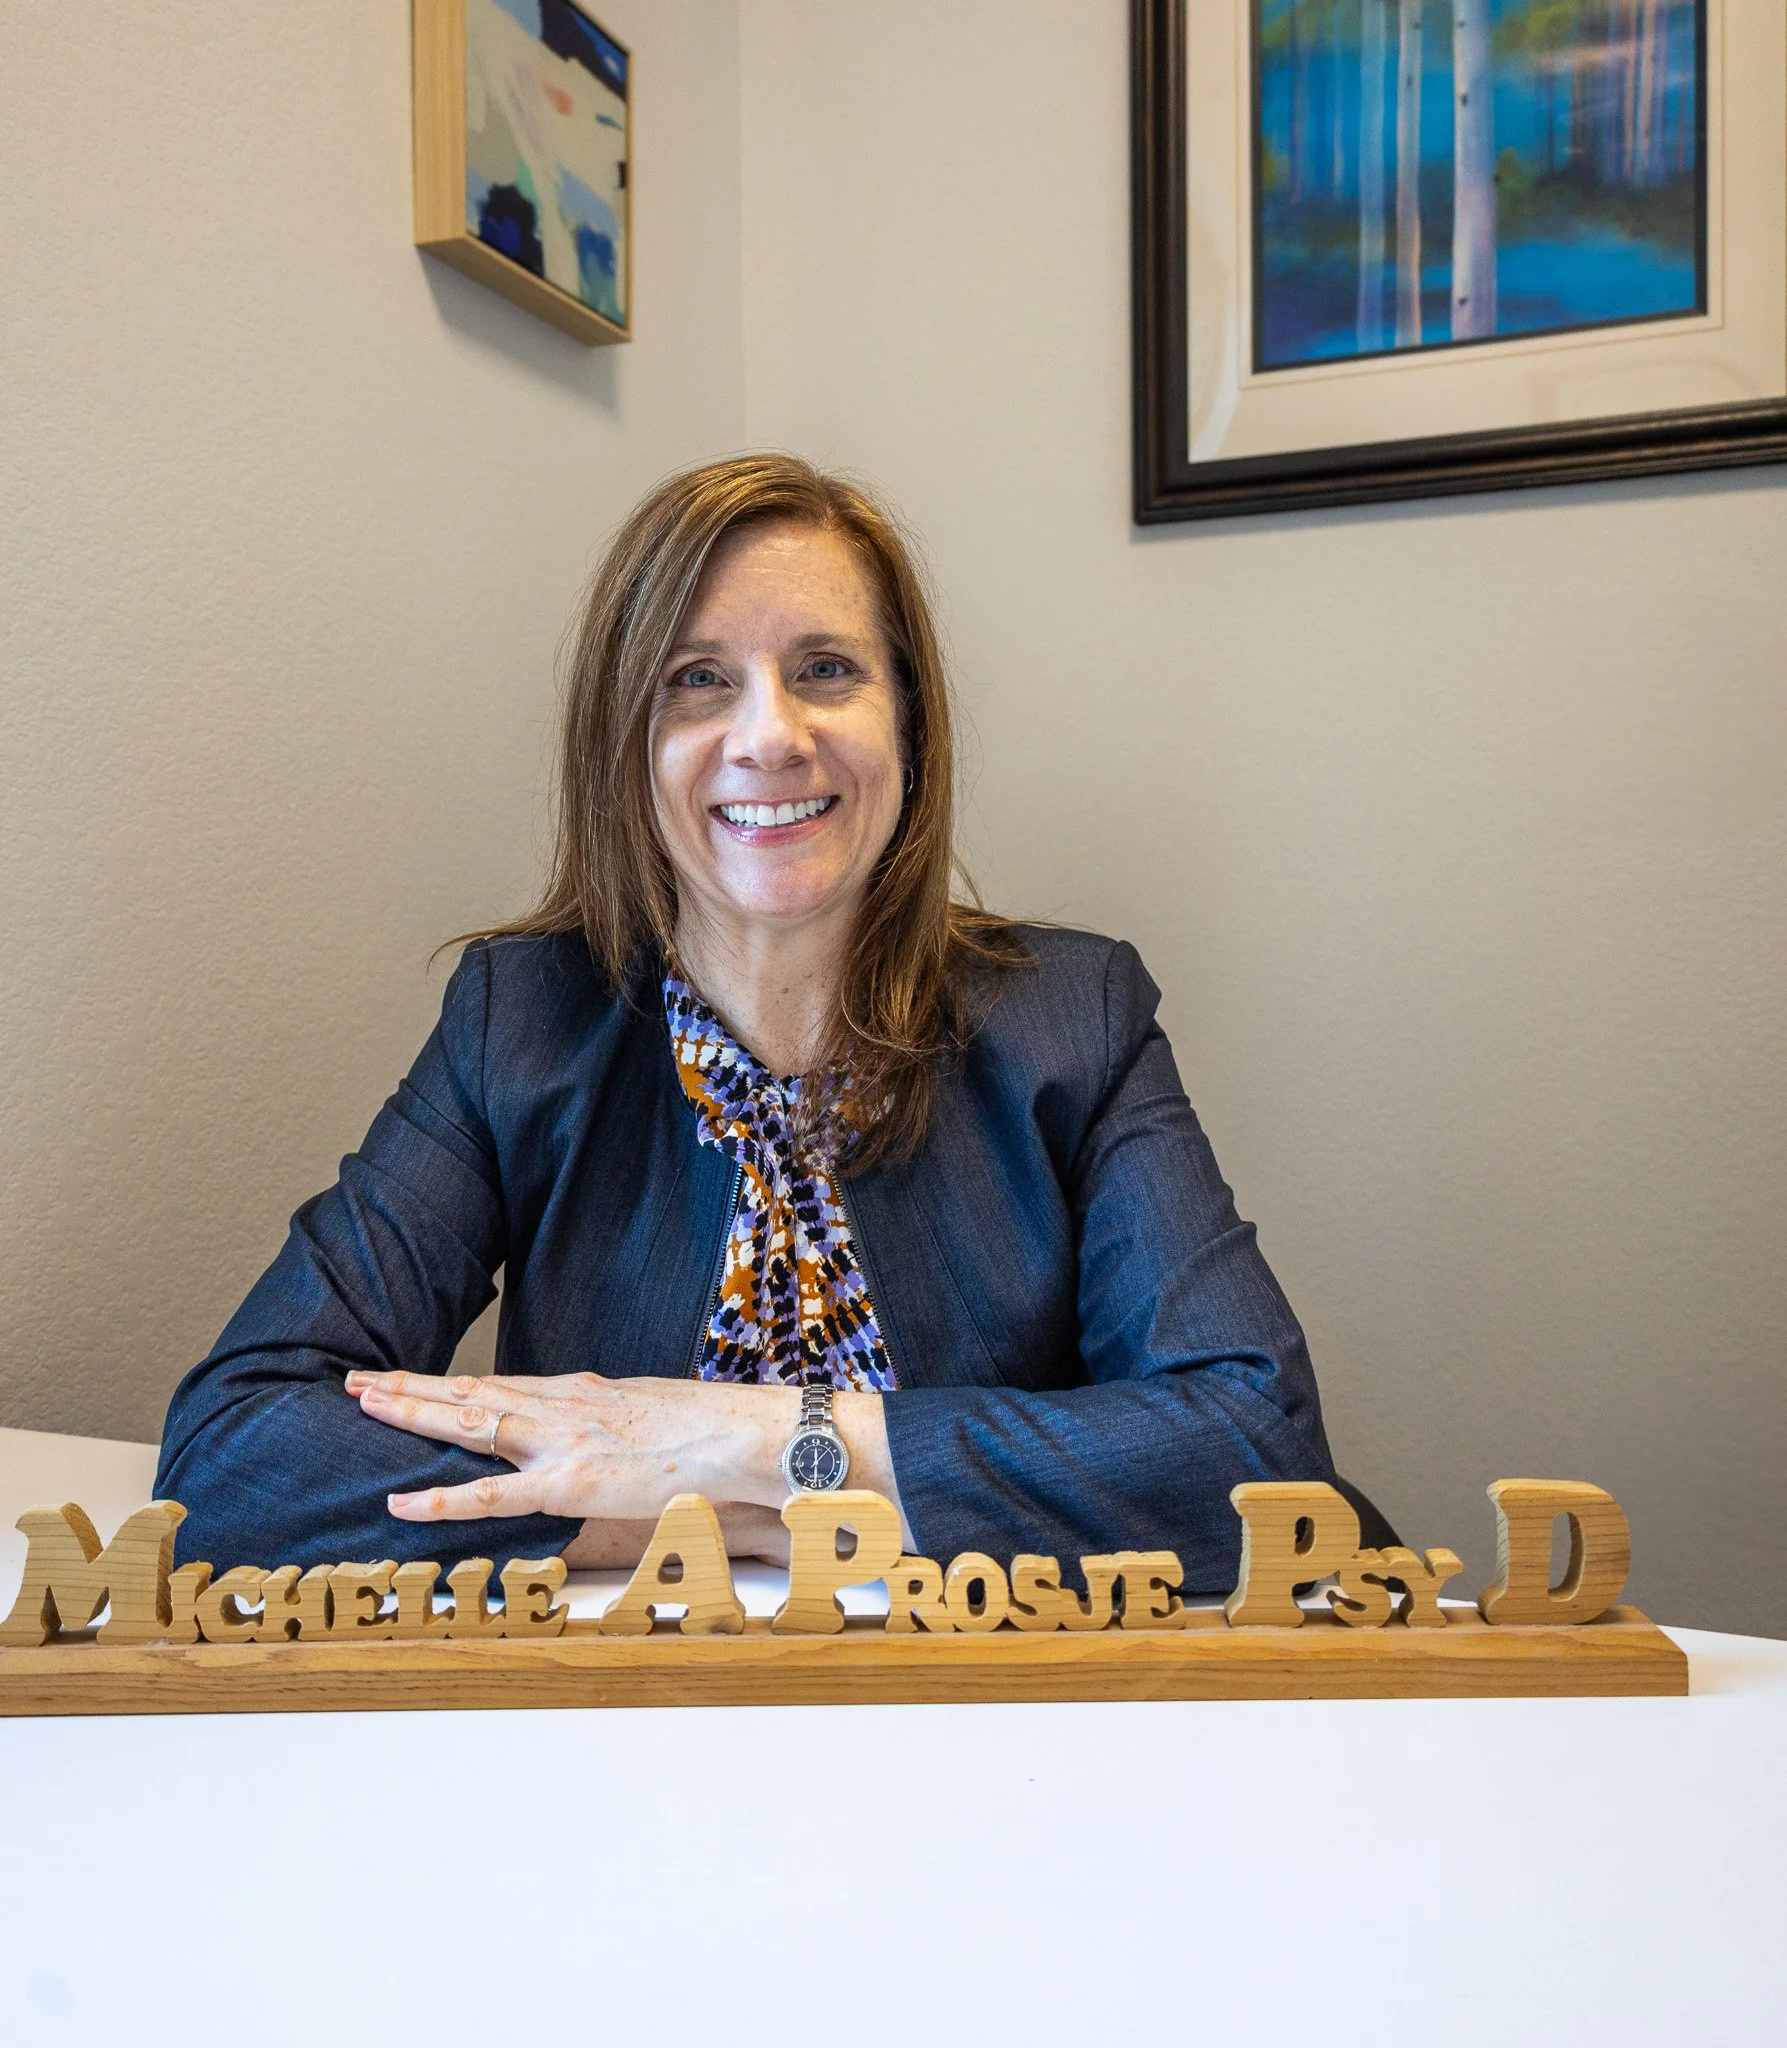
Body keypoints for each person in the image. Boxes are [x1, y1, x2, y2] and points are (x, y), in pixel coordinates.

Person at [156, 454, 1337, 1590]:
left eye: (825, 668)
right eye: (697, 677)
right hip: (625, 1722)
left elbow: (1256, 1446)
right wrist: (707, 1519)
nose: (769, 734)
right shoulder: (514, 1022)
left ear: (908, 729)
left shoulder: (1074, 1016)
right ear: (625, 746)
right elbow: (233, 1450)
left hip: (984, 1706)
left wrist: (746, 1434)